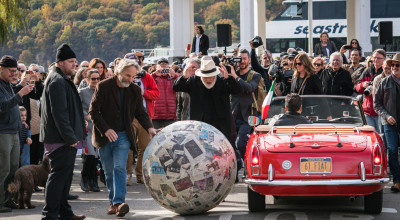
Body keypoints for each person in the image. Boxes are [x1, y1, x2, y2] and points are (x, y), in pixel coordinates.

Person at [89, 58, 156, 217]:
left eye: (133, 77)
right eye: (128, 75)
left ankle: (119, 202)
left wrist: (150, 127)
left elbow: (140, 112)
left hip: (124, 135)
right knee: (108, 171)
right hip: (104, 137)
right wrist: (106, 130)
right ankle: (113, 202)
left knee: (119, 168)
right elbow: (94, 112)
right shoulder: (103, 86)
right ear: (118, 71)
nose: (130, 79)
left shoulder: (134, 90)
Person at [40, 44, 86, 220]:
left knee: (64, 177)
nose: (75, 64)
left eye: (75, 61)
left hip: (65, 137)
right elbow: (59, 113)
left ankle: (64, 212)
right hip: (62, 138)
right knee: (58, 177)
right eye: (71, 61)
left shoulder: (60, 78)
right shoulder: (57, 81)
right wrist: (70, 137)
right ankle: (49, 214)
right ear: (60, 63)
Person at [0, 55, 34, 213]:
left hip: (13, 131)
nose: (14, 74)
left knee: (14, 168)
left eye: (16, 71)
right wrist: (20, 93)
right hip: (3, 132)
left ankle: (7, 199)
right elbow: (3, 106)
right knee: (3, 168)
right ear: (1, 69)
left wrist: (19, 86)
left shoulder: (6, 84)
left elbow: (10, 97)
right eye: (11, 71)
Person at [127, 57, 160, 185]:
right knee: (128, 147)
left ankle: (141, 175)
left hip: (145, 116)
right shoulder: (124, 76)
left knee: (145, 147)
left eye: (136, 63)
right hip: (129, 117)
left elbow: (156, 94)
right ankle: (127, 175)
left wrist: (144, 92)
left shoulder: (146, 77)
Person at [374, 53, 400, 192]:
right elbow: (376, 104)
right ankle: (397, 180)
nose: (394, 67)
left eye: (397, 65)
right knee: (392, 151)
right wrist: (387, 115)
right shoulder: (384, 82)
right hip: (389, 123)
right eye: (393, 65)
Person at [231, 49, 261, 159]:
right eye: (240, 59)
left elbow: (249, 88)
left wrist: (235, 76)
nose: (242, 61)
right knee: (231, 145)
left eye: (244, 59)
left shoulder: (255, 75)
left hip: (248, 117)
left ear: (249, 60)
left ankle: (247, 165)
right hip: (233, 115)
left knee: (241, 143)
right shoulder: (232, 74)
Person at [78, 69, 101, 192]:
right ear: (87, 79)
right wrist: (85, 115)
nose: (96, 81)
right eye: (93, 79)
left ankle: (93, 181)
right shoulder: (81, 92)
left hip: (99, 129)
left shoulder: (102, 91)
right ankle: (85, 178)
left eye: (98, 78)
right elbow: (76, 107)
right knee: (90, 154)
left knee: (96, 156)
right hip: (87, 128)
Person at [356, 49, 386, 133]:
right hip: (367, 111)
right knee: (370, 136)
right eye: (374, 57)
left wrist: (375, 89)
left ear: (384, 59)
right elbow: (357, 87)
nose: (375, 60)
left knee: (381, 136)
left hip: (381, 111)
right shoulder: (367, 71)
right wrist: (363, 85)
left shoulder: (385, 71)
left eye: (378, 58)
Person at [151, 57, 178, 129]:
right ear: (156, 66)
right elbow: (146, 83)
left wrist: (175, 75)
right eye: (161, 64)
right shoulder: (154, 77)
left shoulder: (173, 78)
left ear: (169, 66)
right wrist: (155, 74)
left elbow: (181, 84)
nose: (163, 65)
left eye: (166, 64)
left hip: (171, 115)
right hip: (155, 115)